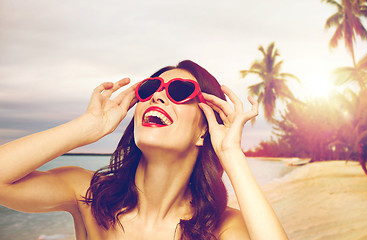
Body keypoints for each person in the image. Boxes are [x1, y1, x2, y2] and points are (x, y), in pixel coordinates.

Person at [0, 60, 288, 240]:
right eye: (150, 89)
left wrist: (232, 155)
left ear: (204, 130)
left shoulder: (222, 228)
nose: (159, 96)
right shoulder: (87, 194)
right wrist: (87, 127)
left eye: (178, 91)